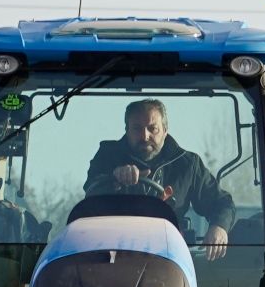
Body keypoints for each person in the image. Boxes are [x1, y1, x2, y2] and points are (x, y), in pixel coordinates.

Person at [84, 99, 235, 259]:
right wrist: (114, 179)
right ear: (127, 131)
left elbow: (222, 203)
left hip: (168, 258)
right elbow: (91, 194)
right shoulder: (107, 156)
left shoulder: (187, 164)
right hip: (112, 255)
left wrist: (219, 227)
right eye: (137, 129)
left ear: (165, 130)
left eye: (152, 128)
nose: (145, 135)